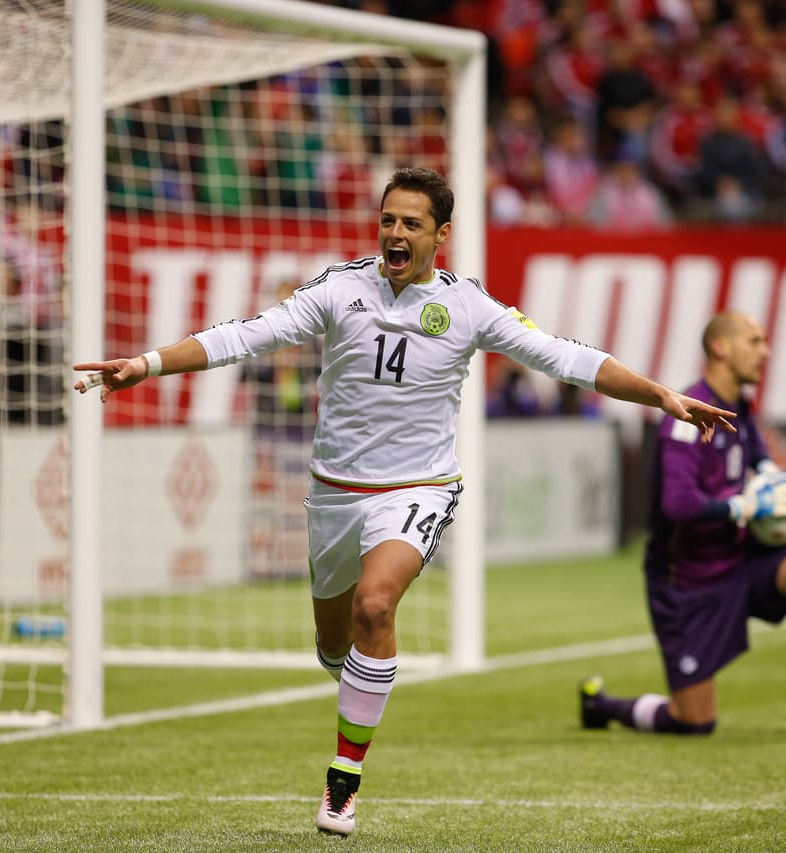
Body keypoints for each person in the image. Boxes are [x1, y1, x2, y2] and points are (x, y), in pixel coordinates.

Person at [73, 168, 736, 837]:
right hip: (334, 493)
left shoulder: (468, 306)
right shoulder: (340, 287)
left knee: (375, 603)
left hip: (418, 487)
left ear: (440, 236)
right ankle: (356, 675)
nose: (395, 232)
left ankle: (342, 783)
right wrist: (147, 363)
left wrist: (660, 394)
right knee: (335, 646)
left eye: (411, 223)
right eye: (388, 219)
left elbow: (565, 357)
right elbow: (246, 334)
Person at [578, 311, 786, 741]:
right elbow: (678, 505)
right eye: (754, 340)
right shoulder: (686, 413)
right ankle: (602, 706)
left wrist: (780, 483)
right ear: (720, 348)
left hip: (742, 561)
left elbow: (756, 457)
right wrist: (743, 508)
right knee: (693, 723)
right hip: (687, 586)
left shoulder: (740, 408)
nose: (765, 351)